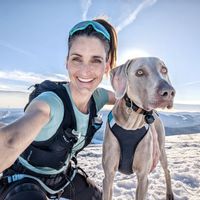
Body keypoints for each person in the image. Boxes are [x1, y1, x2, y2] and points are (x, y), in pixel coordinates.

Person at [0, 19, 159, 200]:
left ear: (106, 66)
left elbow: (134, 100)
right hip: (23, 180)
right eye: (77, 59)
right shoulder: (50, 103)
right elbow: (9, 141)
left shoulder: (97, 97)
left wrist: (151, 125)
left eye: (96, 60)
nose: (85, 71)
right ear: (67, 62)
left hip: (63, 177)